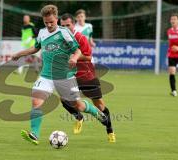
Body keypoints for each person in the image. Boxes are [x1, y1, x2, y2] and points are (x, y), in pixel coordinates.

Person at [12, 5, 108, 145]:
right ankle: (35, 134)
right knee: (36, 101)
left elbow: (78, 50)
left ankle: (96, 113)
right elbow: (35, 48)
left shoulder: (64, 32)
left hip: (65, 77)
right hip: (46, 76)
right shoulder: (42, 32)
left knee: (78, 106)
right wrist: (19, 54)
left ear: (56, 18)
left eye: (51, 21)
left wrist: (74, 59)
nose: (49, 25)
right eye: (46, 22)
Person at [60, 13, 115, 142]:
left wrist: (74, 58)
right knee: (64, 99)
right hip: (70, 76)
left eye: (68, 25)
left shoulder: (80, 37)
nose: (65, 28)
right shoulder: (59, 39)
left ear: (73, 25)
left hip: (86, 75)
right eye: (62, 26)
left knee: (100, 105)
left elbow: (89, 57)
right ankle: (79, 117)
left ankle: (110, 130)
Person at [167, 13, 178, 97]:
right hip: (172, 55)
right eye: (172, 19)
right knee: (172, 72)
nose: (173, 20)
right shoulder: (169, 31)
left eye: (175, 19)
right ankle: (174, 91)